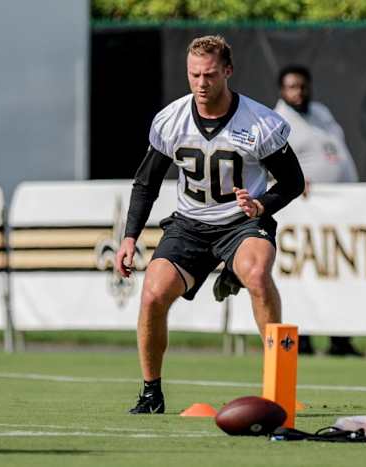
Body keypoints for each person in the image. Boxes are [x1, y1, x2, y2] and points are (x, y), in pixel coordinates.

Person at [115, 35, 304, 414]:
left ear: (228, 72)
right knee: (152, 294)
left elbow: (293, 183)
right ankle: (151, 392)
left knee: (257, 274)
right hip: (189, 225)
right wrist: (129, 237)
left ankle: (276, 385)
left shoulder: (260, 122)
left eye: (210, 75)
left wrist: (261, 204)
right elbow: (146, 182)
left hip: (241, 223)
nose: (201, 83)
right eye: (194, 75)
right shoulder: (172, 120)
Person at [274, 65, 363, 357]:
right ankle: (303, 338)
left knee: (339, 275)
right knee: (305, 276)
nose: (298, 92)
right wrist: (293, 181)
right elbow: (266, 165)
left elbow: (336, 152)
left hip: (338, 213)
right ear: (282, 90)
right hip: (303, 218)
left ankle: (341, 339)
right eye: (291, 87)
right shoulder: (278, 121)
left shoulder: (322, 114)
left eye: (302, 86)